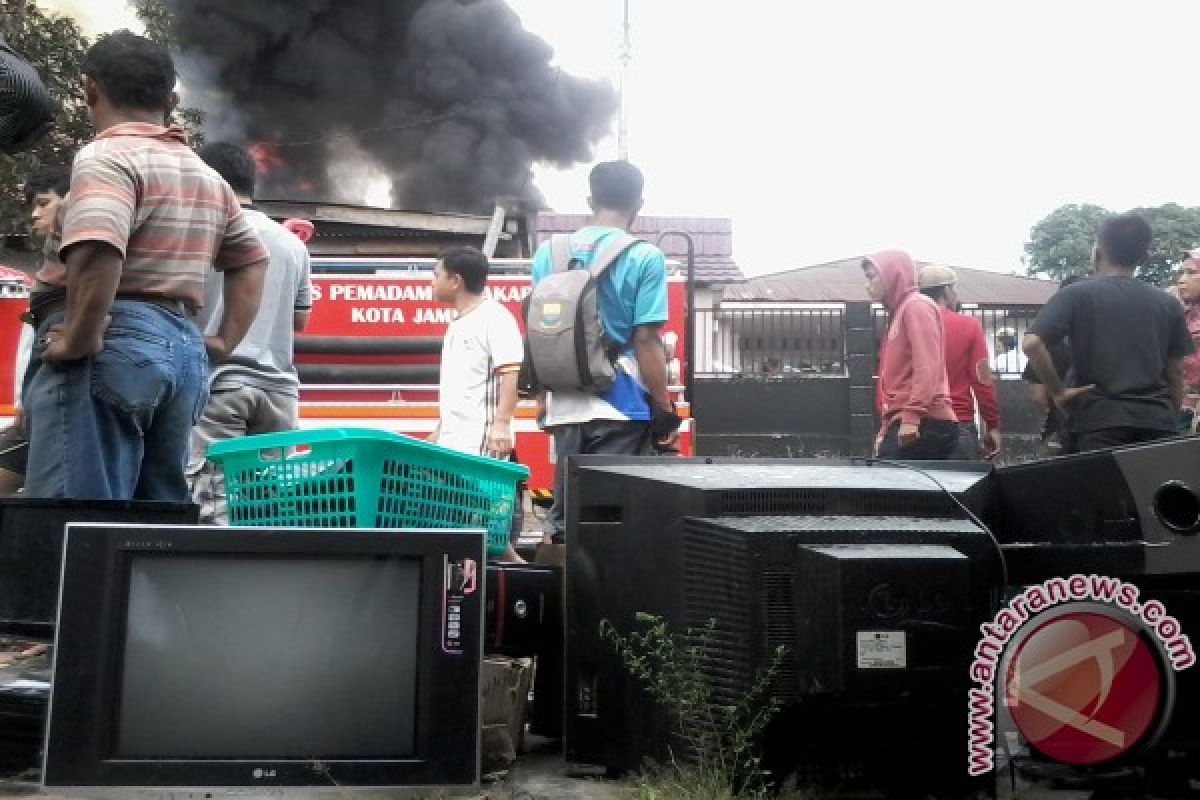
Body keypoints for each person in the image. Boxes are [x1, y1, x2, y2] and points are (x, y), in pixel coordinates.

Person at [22, 31, 268, 500]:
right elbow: (251, 260)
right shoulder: (206, 176)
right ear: (172, 100)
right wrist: (224, 340)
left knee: (78, 518)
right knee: (152, 530)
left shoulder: (107, 157)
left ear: (91, 90)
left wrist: (81, 334)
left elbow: (98, 245)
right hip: (181, 353)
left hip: (109, 341)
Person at [533, 161, 679, 542]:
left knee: (565, 515)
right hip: (621, 404)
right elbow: (646, 339)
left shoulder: (549, 252)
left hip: (564, 401)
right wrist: (663, 407)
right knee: (615, 518)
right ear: (639, 204)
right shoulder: (645, 257)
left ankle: (563, 588)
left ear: (590, 199)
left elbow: (536, 331)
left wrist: (541, 397)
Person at [186, 142, 313, 523]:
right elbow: (300, 320)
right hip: (278, 390)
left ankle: (217, 577)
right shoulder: (292, 244)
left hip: (220, 384)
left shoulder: (204, 235)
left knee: (214, 499)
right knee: (270, 502)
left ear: (209, 180)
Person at [1023, 212, 1193, 453]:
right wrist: (1168, 418)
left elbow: (1031, 344)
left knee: (1103, 491)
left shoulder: (1075, 295)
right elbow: (1175, 372)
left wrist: (1059, 392)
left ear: (1098, 250)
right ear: (1145, 257)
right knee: (1150, 491)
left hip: (1099, 423)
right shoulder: (1168, 304)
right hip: (1157, 422)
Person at [430, 246, 525, 561]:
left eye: (436, 275)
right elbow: (460, 386)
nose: (431, 282)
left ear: (455, 280)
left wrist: (502, 424)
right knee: (467, 516)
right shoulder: (457, 324)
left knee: (484, 514)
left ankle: (521, 573)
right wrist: (440, 431)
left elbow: (510, 374)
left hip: (480, 438)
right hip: (455, 439)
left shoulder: (494, 317)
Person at [0, 165, 72, 494]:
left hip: (52, 411)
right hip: (31, 410)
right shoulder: (50, 265)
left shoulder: (80, 262)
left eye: (44, 203)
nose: (34, 214)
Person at [864, 250, 957, 459]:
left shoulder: (916, 306)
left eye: (871, 277)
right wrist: (886, 427)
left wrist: (912, 417)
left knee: (890, 488)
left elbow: (927, 365)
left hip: (925, 422)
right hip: (910, 419)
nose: (867, 285)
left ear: (892, 274)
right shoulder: (900, 311)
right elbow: (895, 380)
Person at [916, 265, 1002, 459]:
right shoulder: (969, 326)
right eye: (954, 289)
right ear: (947, 290)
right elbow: (983, 380)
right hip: (957, 424)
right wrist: (992, 424)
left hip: (912, 425)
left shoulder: (901, 327)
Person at [1022, 276, 1082, 454]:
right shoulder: (1100, 340)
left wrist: (1058, 399)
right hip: (1100, 423)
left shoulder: (1046, 344)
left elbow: (1038, 397)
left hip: (1060, 425)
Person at [1176, 250, 1200, 433]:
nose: (1182, 280)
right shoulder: (1180, 317)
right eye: (1181, 273)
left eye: (1191, 273)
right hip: (1181, 411)